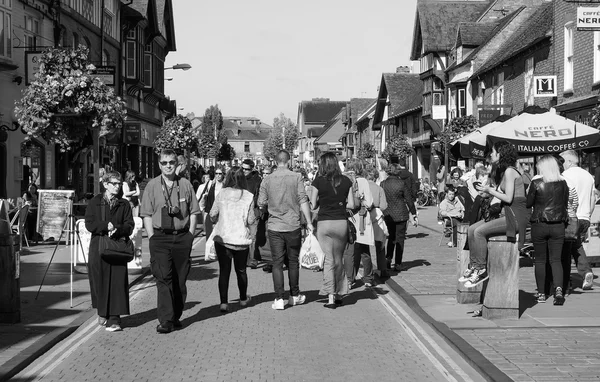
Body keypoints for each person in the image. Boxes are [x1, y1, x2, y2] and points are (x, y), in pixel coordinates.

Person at [140, 149, 200, 334]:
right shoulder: (152, 186)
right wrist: (151, 237)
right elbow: (146, 214)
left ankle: (175, 316)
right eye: (164, 163)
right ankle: (165, 320)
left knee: (179, 280)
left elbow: (194, 212)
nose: (168, 166)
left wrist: (190, 235)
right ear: (159, 165)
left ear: (177, 164)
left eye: (171, 162)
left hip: (182, 237)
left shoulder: (185, 184)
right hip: (160, 237)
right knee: (163, 278)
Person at [461, 140, 529, 288]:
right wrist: (487, 193)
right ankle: (474, 266)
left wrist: (490, 191)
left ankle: (481, 269)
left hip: (514, 216)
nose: (491, 154)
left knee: (479, 232)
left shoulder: (510, 171)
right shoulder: (505, 171)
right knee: (472, 229)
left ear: (500, 153)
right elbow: (501, 195)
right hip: (506, 213)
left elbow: (509, 198)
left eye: (493, 151)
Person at [258, 150, 313, 310]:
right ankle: (294, 295)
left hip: (275, 226)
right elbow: (303, 200)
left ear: (275, 162)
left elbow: (261, 203)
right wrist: (309, 221)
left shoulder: (267, 180)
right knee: (293, 262)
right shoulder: (296, 177)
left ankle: (279, 298)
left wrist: (271, 207)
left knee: (277, 262)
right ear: (289, 162)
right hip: (293, 225)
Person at [85, 171, 134, 332]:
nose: (118, 186)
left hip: (117, 246)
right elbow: (89, 223)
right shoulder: (95, 202)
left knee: (117, 282)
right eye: (114, 183)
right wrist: (105, 226)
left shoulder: (124, 204)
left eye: (119, 183)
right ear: (105, 184)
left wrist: (119, 230)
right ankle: (103, 311)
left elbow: (129, 225)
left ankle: (115, 319)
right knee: (99, 280)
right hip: (99, 245)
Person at [310, 152, 357, 308]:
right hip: (340, 223)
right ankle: (339, 292)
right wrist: (339, 201)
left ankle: (330, 296)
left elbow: (313, 205)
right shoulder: (346, 181)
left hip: (324, 223)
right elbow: (351, 204)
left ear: (323, 165)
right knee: (338, 259)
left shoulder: (318, 181)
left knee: (329, 260)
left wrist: (322, 199)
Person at [209, 168, 255, 312]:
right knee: (241, 270)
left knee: (224, 271)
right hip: (240, 239)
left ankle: (224, 303)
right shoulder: (248, 196)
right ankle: (242, 299)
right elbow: (251, 219)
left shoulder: (222, 193)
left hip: (223, 238)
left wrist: (218, 219)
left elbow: (212, 214)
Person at [526, 155, 568, 305]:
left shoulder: (536, 183)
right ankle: (558, 289)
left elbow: (528, 203)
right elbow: (565, 202)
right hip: (558, 224)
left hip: (540, 223)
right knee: (556, 260)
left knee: (540, 260)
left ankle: (542, 293)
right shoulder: (563, 183)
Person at [559, 150, 595, 290]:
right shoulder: (588, 176)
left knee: (565, 249)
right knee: (576, 245)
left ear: (569, 161)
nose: (560, 165)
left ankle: (565, 281)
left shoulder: (565, 175)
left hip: (571, 217)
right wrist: (588, 216)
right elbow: (593, 199)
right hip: (585, 217)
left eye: (562, 161)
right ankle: (585, 272)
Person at [381, 163, 418, 272]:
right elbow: (409, 199)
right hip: (401, 214)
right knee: (400, 239)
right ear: (398, 172)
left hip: (388, 214)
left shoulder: (383, 184)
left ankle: (388, 259)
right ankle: (398, 263)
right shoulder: (401, 184)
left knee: (391, 237)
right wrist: (413, 212)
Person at [241, 159, 262, 269]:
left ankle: (253, 259)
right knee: (243, 236)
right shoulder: (239, 179)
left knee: (253, 237)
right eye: (242, 168)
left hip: (252, 211)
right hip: (241, 211)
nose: (244, 171)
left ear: (252, 169)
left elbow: (259, 196)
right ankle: (244, 258)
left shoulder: (257, 180)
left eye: (247, 169)